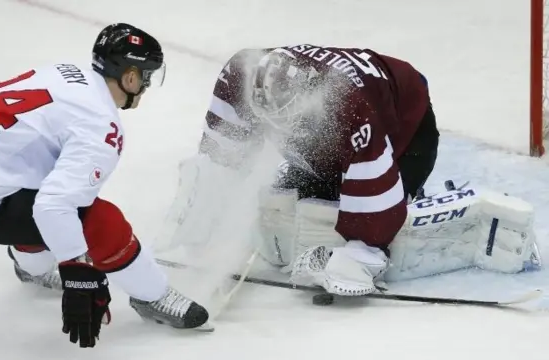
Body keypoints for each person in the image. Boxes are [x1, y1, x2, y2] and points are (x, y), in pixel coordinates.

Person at [160, 44, 541, 299]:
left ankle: (441, 210)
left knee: (382, 224)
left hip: (406, 128)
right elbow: (222, 153)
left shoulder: (347, 102)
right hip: (336, 133)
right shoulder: (241, 75)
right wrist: (205, 210)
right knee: (298, 200)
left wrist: (363, 251)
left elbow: (374, 192)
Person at [0, 23, 209, 348]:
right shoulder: (102, 127)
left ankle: (31, 265)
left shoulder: (63, 71)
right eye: (146, 76)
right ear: (130, 77)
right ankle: (152, 295)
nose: (146, 84)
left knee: (47, 179)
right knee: (99, 220)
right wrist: (78, 273)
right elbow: (53, 206)